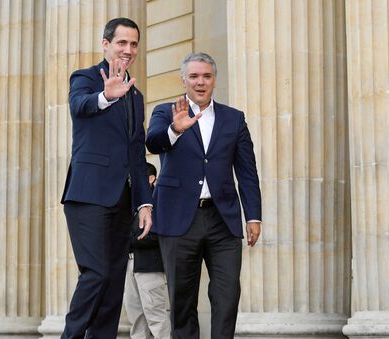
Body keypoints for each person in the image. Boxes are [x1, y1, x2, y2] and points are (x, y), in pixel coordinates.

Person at [146, 52, 262, 338]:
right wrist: (175, 128)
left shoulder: (234, 119)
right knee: (182, 301)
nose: (200, 82)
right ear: (183, 79)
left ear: (214, 80)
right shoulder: (165, 111)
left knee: (227, 296)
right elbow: (153, 141)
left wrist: (254, 216)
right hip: (178, 220)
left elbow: (247, 171)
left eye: (206, 76)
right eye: (194, 76)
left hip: (223, 219)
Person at [60, 17, 153, 339]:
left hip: (122, 200)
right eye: (121, 43)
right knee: (96, 273)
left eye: (133, 44)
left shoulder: (136, 95)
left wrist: (144, 202)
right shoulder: (86, 78)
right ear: (105, 44)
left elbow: (136, 151)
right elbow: (79, 106)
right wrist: (106, 96)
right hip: (87, 195)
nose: (128, 50)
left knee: (114, 280)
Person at [123, 162, 170, 339]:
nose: (131, 181)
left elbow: (158, 235)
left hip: (150, 266)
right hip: (129, 265)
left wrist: (128, 240)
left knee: (155, 316)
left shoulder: (159, 202)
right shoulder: (129, 203)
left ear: (151, 179)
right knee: (135, 318)